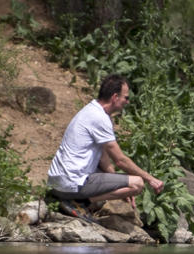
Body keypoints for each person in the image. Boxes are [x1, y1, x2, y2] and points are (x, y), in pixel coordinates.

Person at [46, 74, 163, 215]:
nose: (128, 102)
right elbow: (120, 160)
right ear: (115, 97)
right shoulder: (99, 118)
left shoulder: (92, 110)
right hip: (70, 185)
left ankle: (75, 200)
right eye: (126, 97)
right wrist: (150, 179)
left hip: (57, 184)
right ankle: (81, 203)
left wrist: (120, 181)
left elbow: (103, 158)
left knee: (129, 181)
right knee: (138, 183)